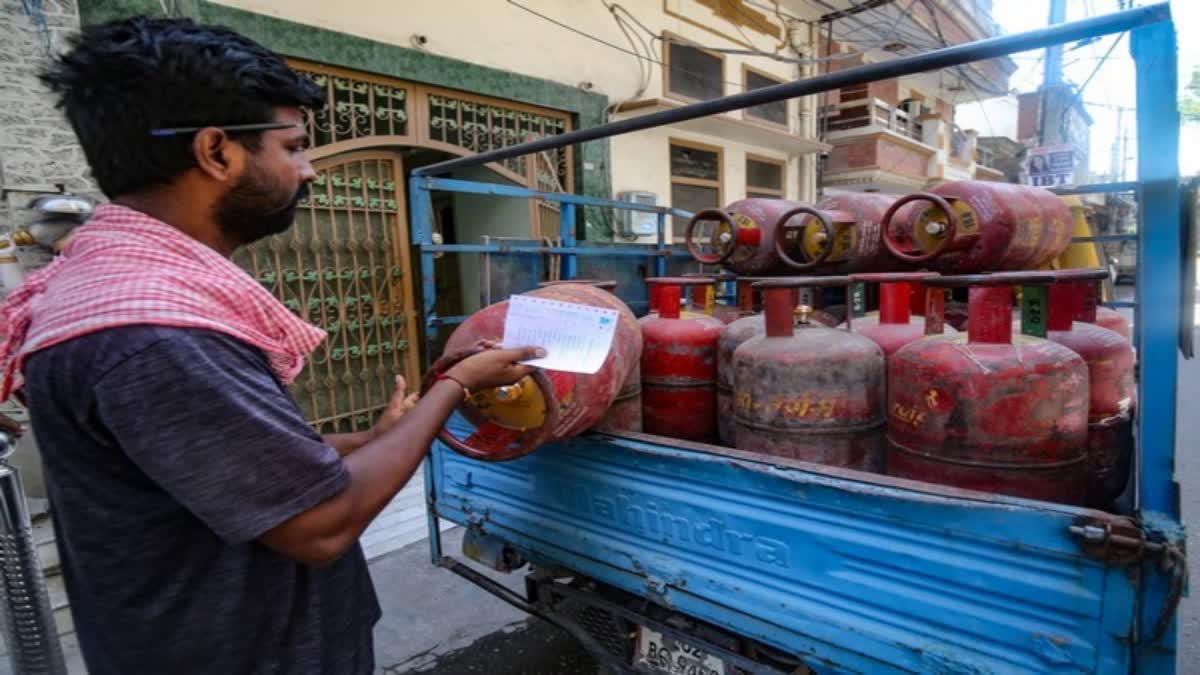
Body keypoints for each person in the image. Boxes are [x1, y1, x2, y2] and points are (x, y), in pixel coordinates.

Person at [0, 16, 543, 675]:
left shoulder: (121, 290)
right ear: (216, 152)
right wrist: (454, 387)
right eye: (293, 147)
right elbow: (321, 524)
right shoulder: (153, 332)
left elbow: (218, 463)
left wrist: (369, 440)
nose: (310, 170)